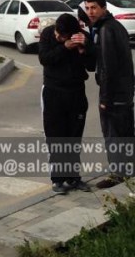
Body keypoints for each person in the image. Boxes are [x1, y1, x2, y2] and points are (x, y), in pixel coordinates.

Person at [38, 13, 96, 194]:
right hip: (53, 92)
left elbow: (92, 66)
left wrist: (83, 50)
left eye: (62, 35)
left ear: (72, 33)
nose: (57, 35)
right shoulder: (48, 34)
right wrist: (64, 46)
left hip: (76, 93)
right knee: (56, 137)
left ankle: (73, 177)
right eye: (57, 32)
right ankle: (57, 179)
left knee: (73, 138)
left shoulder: (82, 37)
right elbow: (45, 59)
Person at [84, 0, 135, 185]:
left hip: (113, 94)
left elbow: (108, 67)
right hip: (124, 91)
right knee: (126, 134)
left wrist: (105, 99)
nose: (90, 12)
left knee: (113, 135)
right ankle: (128, 169)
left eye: (94, 8)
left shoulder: (106, 30)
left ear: (103, 8)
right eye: (87, 8)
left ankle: (118, 174)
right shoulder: (115, 27)